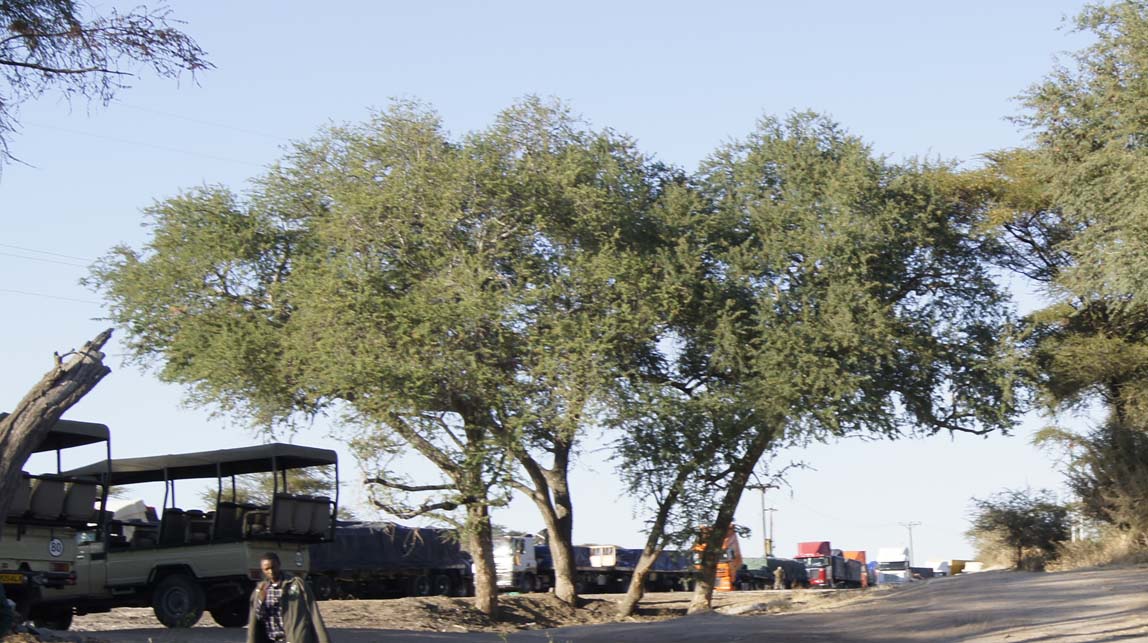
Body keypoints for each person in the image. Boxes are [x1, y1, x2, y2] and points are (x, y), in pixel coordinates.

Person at [247, 552, 330, 643]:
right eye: (267, 569)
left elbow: (313, 613)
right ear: (262, 570)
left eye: (273, 567)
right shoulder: (260, 589)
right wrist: (260, 601)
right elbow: (257, 618)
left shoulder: (296, 585)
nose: (271, 571)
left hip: (293, 639)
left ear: (279, 565)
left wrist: (323, 639)